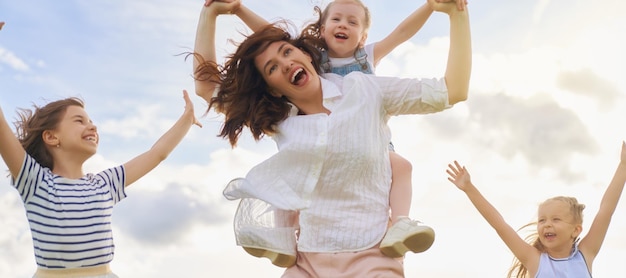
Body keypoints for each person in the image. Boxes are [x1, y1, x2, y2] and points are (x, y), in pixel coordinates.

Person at [192, 0, 470, 275]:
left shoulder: (366, 91)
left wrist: (457, 15)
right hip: (307, 263)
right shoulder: (278, 120)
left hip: (373, 255)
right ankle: (283, 236)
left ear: (307, 56)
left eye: (287, 52)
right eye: (272, 68)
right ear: (273, 89)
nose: (286, 64)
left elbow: (452, 90)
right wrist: (210, 13)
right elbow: (206, 88)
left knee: (399, 165)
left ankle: (401, 223)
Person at [0, 91, 200, 277]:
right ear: (51, 137)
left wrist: (186, 120)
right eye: (79, 121)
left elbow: (156, 154)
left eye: (91, 121)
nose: (93, 126)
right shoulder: (36, 182)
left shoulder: (104, 184)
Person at [445, 141, 626, 278]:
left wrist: (623, 165)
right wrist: (469, 188)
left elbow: (606, 211)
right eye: (542, 220)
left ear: (576, 230)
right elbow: (500, 225)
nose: (547, 225)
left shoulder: (585, 255)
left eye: (556, 219)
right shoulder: (535, 260)